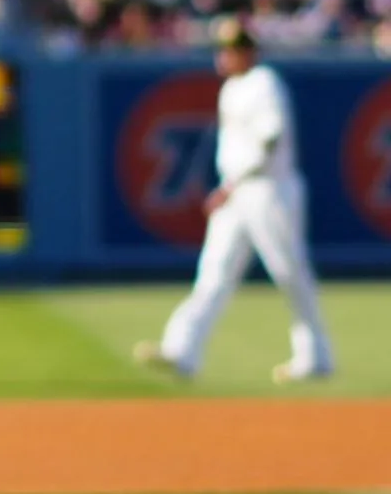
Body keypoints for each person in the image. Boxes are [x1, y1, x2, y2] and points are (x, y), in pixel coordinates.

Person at [134, 19, 335, 384]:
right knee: (214, 272)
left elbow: (270, 140)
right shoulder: (231, 88)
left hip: (269, 189)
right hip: (237, 191)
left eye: (230, 49)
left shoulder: (264, 84)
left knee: (290, 273)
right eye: (222, 49)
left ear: (248, 52)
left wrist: (232, 184)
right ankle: (183, 350)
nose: (223, 56)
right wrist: (231, 186)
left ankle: (315, 354)